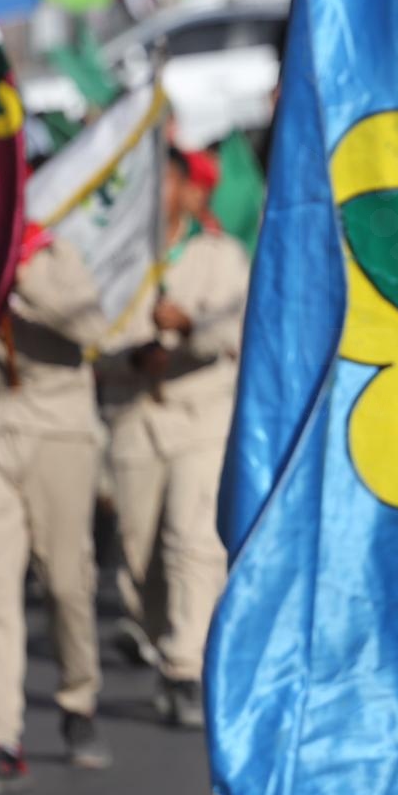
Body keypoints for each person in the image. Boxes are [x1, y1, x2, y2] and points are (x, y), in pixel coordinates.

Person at [0, 226, 111, 795]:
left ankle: (78, 699)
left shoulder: (57, 256)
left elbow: (94, 329)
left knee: (66, 584)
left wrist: (20, 280)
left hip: (58, 430)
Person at [99, 148, 249, 728]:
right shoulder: (113, 259)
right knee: (139, 554)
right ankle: (157, 632)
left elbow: (235, 328)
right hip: (135, 416)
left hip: (202, 414)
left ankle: (186, 666)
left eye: (164, 181)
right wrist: (131, 354)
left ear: (187, 191)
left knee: (194, 542)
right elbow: (93, 337)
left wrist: (188, 327)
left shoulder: (220, 255)